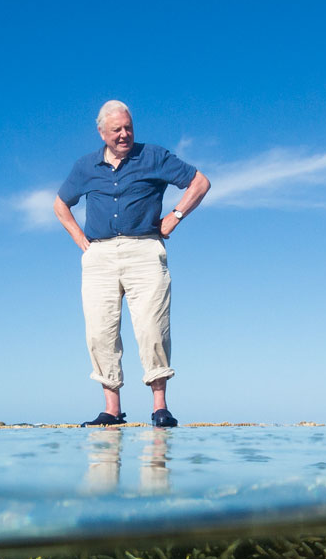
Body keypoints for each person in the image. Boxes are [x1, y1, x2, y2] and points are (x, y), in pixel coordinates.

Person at [53, 100, 210, 427]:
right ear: (101, 132)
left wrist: (176, 216)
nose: (124, 135)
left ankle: (160, 408)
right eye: (116, 130)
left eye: (128, 128)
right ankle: (112, 410)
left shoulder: (154, 156)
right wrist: (80, 240)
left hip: (145, 250)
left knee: (152, 328)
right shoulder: (85, 166)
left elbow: (200, 182)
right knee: (100, 331)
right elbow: (60, 204)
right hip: (99, 255)